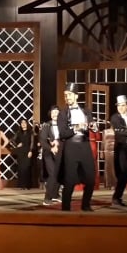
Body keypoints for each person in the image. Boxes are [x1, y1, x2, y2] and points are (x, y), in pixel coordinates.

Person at [56, 83, 96, 211]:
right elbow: (63, 133)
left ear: (76, 96)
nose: (67, 97)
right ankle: (66, 208)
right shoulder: (62, 114)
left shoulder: (86, 111)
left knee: (90, 178)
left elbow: (93, 126)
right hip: (71, 147)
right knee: (69, 180)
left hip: (84, 145)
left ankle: (86, 205)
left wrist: (93, 127)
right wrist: (76, 127)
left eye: (69, 95)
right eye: (65, 95)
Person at [109, 95, 127, 207]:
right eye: (118, 106)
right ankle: (116, 197)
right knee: (123, 173)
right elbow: (119, 132)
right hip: (122, 148)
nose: (120, 108)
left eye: (122, 105)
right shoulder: (115, 117)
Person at [39, 106, 62, 206]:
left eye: (56, 112)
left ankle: (55, 195)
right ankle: (47, 198)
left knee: (60, 174)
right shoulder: (46, 125)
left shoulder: (63, 125)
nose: (55, 114)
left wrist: (58, 143)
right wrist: (51, 148)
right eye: (53, 112)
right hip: (49, 153)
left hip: (60, 152)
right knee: (52, 174)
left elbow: (66, 136)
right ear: (50, 114)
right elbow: (42, 140)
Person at [11, 118, 36, 190]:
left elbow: (32, 142)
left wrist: (30, 151)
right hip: (20, 151)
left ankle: (27, 185)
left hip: (28, 151)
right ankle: (22, 185)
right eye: (22, 123)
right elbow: (12, 140)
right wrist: (17, 145)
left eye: (24, 122)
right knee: (21, 168)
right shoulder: (19, 132)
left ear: (27, 123)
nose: (23, 124)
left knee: (27, 168)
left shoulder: (30, 132)